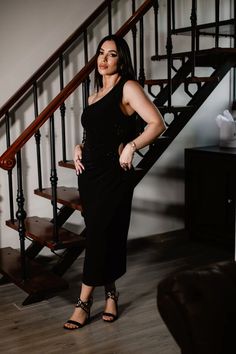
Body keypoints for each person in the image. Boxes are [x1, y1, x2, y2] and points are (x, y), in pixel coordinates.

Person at [63, 34, 166, 330]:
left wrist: (132, 146)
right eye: (101, 53)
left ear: (122, 59)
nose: (104, 59)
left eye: (111, 54)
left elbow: (157, 123)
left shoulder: (128, 87)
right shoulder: (95, 94)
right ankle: (111, 294)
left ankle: (83, 302)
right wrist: (79, 147)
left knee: (97, 234)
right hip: (90, 174)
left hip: (113, 173)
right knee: (103, 234)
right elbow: (96, 131)